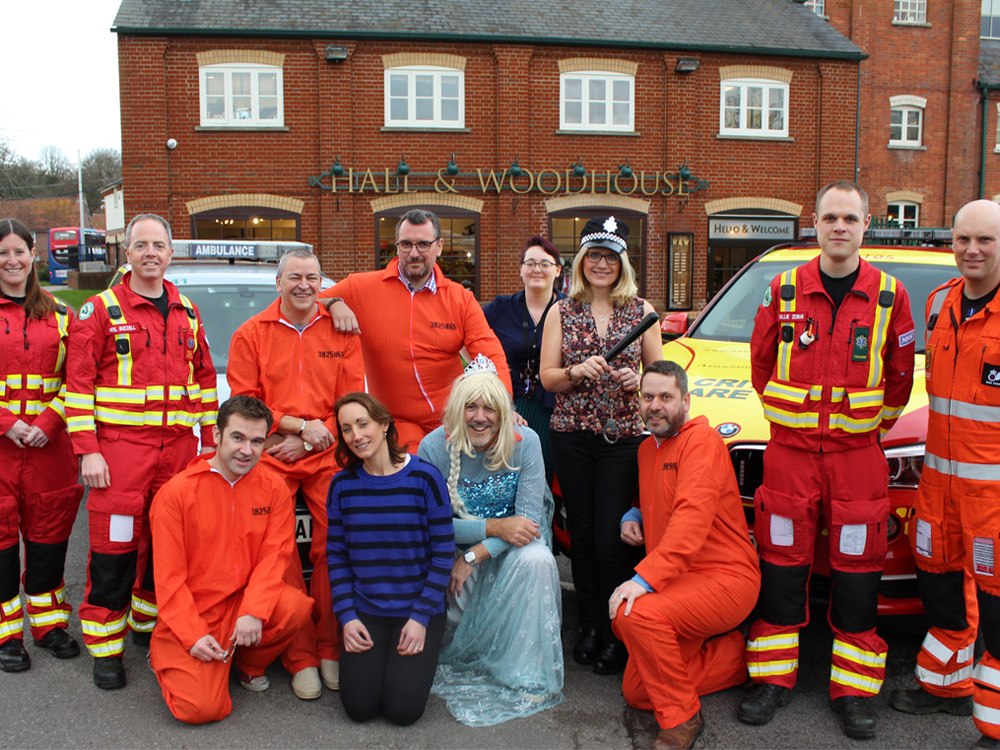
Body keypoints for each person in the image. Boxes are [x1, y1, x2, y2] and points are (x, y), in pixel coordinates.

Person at [741, 181, 915, 739]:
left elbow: (900, 378)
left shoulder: (891, 295)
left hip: (857, 458)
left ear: (867, 225)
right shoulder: (783, 288)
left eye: (850, 218)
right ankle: (772, 681)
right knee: (782, 567)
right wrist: (792, 424)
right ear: (814, 225)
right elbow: (762, 366)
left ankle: (856, 693)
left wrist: (866, 431)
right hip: (790, 455)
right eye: (829, 218)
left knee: (858, 573)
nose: (839, 227)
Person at [65, 213, 218, 690]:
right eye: (141, 245)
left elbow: (207, 382)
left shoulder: (188, 311)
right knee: (115, 551)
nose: (150, 253)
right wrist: (88, 451)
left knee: (166, 548)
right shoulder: (99, 311)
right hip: (119, 458)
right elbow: (77, 388)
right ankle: (105, 651)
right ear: (126, 253)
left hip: (177, 456)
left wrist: (210, 443)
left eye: (159, 245)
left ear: (170, 254)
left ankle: (146, 627)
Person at [227, 247, 365, 699]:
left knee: (334, 546)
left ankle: (330, 646)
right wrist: (293, 426)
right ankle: (300, 653)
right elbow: (245, 402)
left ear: (322, 283)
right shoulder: (251, 333)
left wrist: (312, 435)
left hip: (326, 453)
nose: (304, 285)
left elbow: (350, 398)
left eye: (312, 277)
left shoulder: (341, 328)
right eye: (294, 277)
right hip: (271, 455)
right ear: (278, 283)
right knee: (281, 552)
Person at [887, 199, 1000, 749]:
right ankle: (946, 686)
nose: (972, 251)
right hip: (937, 489)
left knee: (997, 609)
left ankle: (995, 723)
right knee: (941, 590)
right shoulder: (938, 304)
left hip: (994, 496)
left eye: (986, 240)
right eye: (962, 240)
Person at [609, 360, 760, 750]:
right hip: (679, 581)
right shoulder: (647, 449)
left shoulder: (702, 441)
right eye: (647, 397)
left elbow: (692, 517)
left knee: (634, 613)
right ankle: (741, 657)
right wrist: (635, 512)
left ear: (686, 401)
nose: (655, 405)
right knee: (637, 693)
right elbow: (662, 495)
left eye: (666, 397)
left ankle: (681, 717)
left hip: (725, 578)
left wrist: (640, 581)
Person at [539, 215, 661, 676]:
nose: (602, 264)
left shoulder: (641, 310)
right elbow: (549, 378)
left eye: (610, 256)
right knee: (584, 537)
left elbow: (659, 378)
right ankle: (590, 625)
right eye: (594, 255)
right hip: (572, 434)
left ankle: (619, 628)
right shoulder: (561, 310)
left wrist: (637, 382)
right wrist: (575, 372)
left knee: (613, 539)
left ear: (622, 262)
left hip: (622, 441)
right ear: (582, 262)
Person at [149, 395, 314, 725]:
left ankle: (248, 665)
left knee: (295, 606)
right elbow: (168, 579)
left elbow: (274, 557)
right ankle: (174, 657)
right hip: (196, 612)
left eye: (257, 441)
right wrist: (192, 634)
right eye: (238, 437)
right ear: (216, 435)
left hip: (244, 605)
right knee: (202, 710)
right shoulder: (176, 494)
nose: (246, 450)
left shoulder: (274, 488)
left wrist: (253, 611)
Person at [418, 356, 564, 726]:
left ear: (504, 413)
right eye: (470, 406)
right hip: (453, 551)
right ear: (456, 410)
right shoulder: (432, 448)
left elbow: (529, 521)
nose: (479, 417)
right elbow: (432, 525)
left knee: (539, 560)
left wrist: (476, 555)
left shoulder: (525, 442)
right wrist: (491, 530)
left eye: (489, 408)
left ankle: (524, 671)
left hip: (510, 550)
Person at [320, 209, 512, 448]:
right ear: (397, 247)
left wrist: (504, 405)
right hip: (397, 423)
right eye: (405, 245)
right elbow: (305, 301)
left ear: (439, 246)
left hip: (453, 419)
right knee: (419, 474)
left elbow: (489, 352)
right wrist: (334, 302)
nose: (414, 253)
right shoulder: (361, 287)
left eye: (423, 244)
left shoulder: (460, 298)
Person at [326, 392, 454, 726]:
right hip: (366, 610)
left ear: (384, 424)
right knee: (359, 708)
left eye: (363, 424)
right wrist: (348, 617)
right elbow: (337, 556)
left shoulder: (425, 478)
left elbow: (443, 554)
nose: (356, 435)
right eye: (347, 429)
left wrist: (421, 618)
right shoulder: (342, 486)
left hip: (416, 611)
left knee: (403, 712)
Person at [0, 218, 83, 673]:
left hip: (49, 445)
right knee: (0, 545)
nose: (12, 261)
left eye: (19, 251)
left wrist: (50, 420)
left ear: (33, 255)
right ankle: (6, 635)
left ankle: (48, 625)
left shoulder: (62, 314)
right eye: (3, 252)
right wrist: (9, 423)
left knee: (48, 536)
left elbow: (81, 377)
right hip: (2, 445)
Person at [483, 235, 565, 483]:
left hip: (554, 405)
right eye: (530, 263)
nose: (536, 269)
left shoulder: (569, 309)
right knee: (507, 474)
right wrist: (489, 366)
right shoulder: (501, 308)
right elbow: (468, 337)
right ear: (520, 269)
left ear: (558, 270)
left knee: (544, 475)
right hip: (509, 402)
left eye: (544, 263)